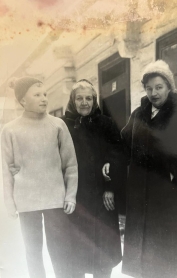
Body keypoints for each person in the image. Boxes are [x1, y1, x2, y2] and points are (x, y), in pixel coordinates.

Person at [121, 60, 177, 278]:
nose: (153, 93)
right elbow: (123, 143)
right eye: (149, 88)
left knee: (170, 252)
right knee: (146, 254)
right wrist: (111, 160)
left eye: (158, 87)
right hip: (142, 191)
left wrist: (176, 171)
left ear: (169, 86)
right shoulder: (138, 115)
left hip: (172, 193)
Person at [1, 77, 78, 278]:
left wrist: (70, 195)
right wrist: (9, 202)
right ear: (23, 101)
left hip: (55, 200)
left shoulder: (58, 125)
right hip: (26, 201)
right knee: (32, 252)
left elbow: (70, 164)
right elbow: (5, 171)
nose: (44, 99)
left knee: (61, 250)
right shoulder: (9, 130)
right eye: (37, 95)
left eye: (45, 94)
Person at [61, 79, 122, 278]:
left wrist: (110, 187)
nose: (84, 102)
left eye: (89, 98)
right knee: (76, 252)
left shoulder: (106, 124)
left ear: (94, 100)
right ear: (72, 100)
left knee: (102, 252)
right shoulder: (63, 126)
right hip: (74, 197)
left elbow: (118, 155)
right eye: (80, 98)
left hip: (101, 197)